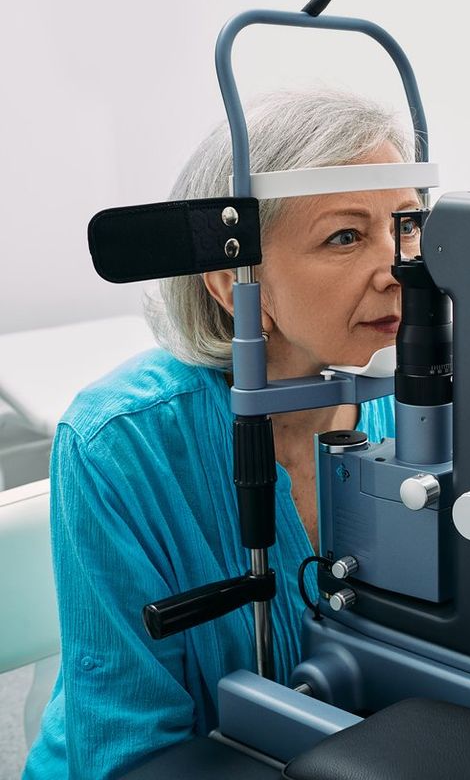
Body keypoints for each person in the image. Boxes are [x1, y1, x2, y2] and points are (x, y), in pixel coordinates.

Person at [23, 88, 421, 779]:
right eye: (346, 236)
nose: (397, 269)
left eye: (408, 225)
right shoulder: (118, 446)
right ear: (234, 282)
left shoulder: (417, 405)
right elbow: (128, 749)